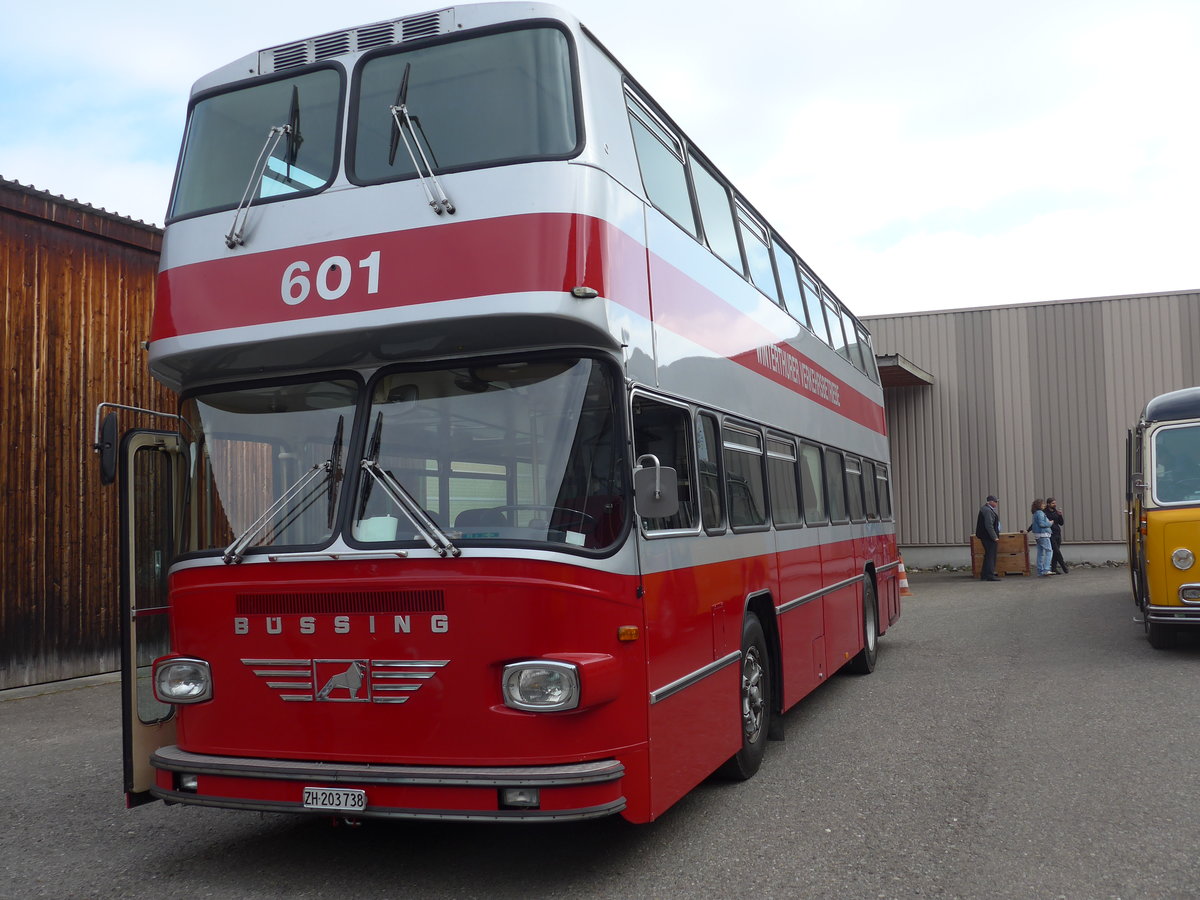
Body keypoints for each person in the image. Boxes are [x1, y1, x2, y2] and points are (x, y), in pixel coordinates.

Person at [975, 495, 1001, 581]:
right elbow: (989, 525)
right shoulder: (988, 511)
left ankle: (984, 574)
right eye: (995, 501)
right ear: (990, 502)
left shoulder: (985, 509)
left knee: (987, 555)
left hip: (985, 536)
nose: (996, 503)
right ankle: (990, 575)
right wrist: (994, 537)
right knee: (991, 556)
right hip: (988, 537)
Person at [1029, 499, 1054, 576]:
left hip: (1038, 535)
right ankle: (1046, 569)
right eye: (1043, 504)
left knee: (1040, 553)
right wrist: (1050, 523)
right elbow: (1042, 524)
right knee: (1049, 551)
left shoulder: (1035, 513)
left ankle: (1040, 571)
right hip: (1043, 535)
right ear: (1039, 505)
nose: (1044, 505)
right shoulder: (1040, 513)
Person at [1044, 497, 1068, 574]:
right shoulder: (1044, 513)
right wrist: (1028, 530)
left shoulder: (1056, 512)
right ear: (1048, 504)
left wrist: (1060, 515)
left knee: (1055, 552)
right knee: (1057, 551)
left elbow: (1061, 523)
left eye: (1055, 503)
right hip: (1050, 534)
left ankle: (1054, 568)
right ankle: (1063, 566)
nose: (1055, 504)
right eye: (1053, 503)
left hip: (1058, 533)